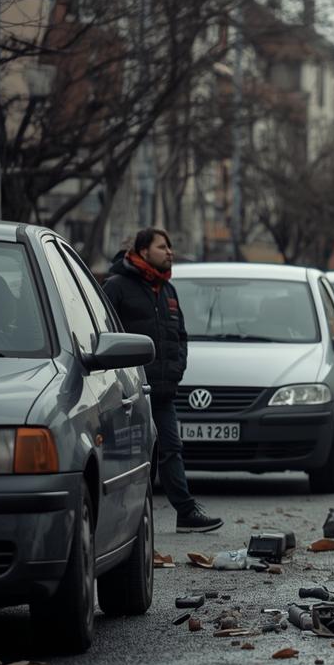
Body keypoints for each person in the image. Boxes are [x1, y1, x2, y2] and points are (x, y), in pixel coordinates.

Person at [102, 228, 222, 533]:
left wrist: (177, 366)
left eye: (170, 246)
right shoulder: (116, 286)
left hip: (163, 391)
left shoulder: (167, 290)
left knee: (171, 449)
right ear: (143, 252)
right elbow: (102, 334)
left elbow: (179, 335)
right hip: (127, 391)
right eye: (162, 247)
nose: (170, 252)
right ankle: (117, 522)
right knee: (125, 455)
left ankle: (186, 513)